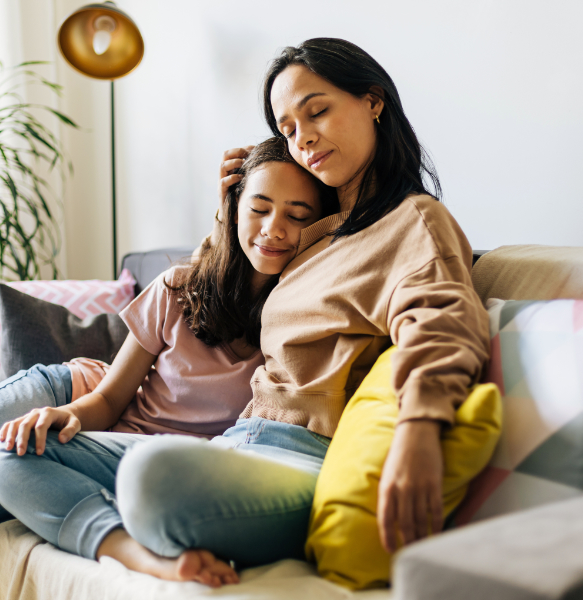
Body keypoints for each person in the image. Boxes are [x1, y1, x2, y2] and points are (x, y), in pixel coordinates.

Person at [82, 37, 489, 582]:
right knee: (18, 455)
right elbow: (218, 285)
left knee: (148, 476)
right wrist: (230, 206)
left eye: (317, 111)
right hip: (237, 441)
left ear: (373, 101)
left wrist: (418, 429)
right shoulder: (316, 236)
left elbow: (442, 322)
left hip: (301, 457)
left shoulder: (413, 221)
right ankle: (134, 544)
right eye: (288, 129)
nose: (304, 138)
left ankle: (127, 532)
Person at [0, 138, 335, 585]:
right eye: (260, 207)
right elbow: (109, 398)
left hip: (121, 462)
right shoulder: (179, 288)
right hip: (78, 396)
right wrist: (68, 416)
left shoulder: (300, 324)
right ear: (234, 209)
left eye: (297, 215)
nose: (275, 229)